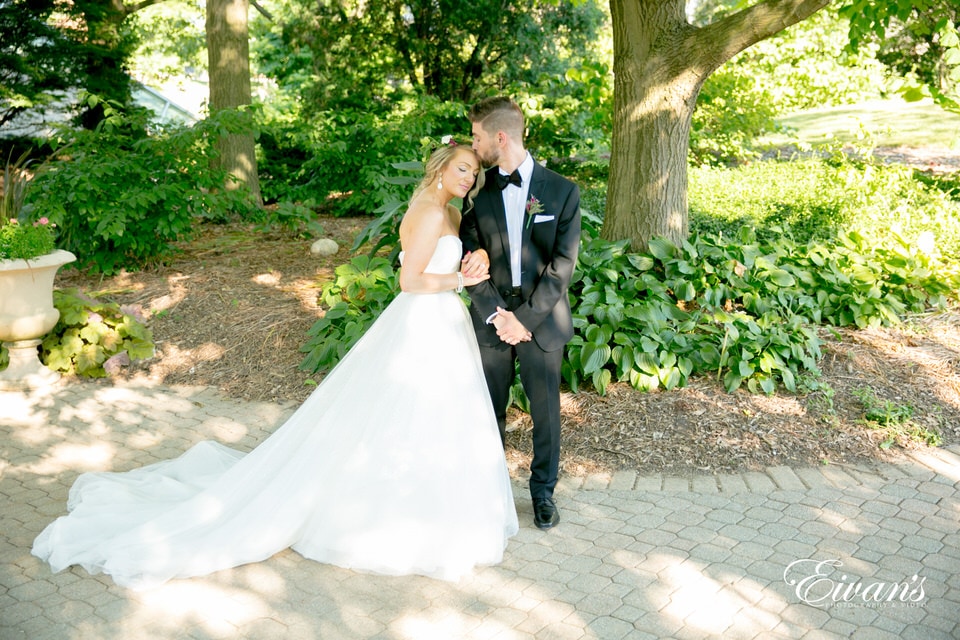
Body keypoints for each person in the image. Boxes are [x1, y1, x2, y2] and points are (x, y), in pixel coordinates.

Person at [31, 144, 519, 590]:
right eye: (461, 168)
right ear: (439, 167)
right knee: (406, 414)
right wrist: (458, 277)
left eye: (473, 172)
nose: (468, 177)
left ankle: (426, 511)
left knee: (432, 418)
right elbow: (410, 280)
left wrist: (472, 260)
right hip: (420, 322)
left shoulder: (452, 213)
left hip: (443, 323)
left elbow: (442, 258)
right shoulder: (428, 212)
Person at [459, 97, 581, 530]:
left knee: (546, 411)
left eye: (476, 136)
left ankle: (543, 494)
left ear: (500, 136)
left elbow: (562, 267)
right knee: (489, 409)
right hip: (491, 320)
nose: (473, 146)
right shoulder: (475, 190)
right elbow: (467, 256)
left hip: (541, 322)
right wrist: (496, 313)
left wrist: (523, 320)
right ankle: (491, 494)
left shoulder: (562, 192)